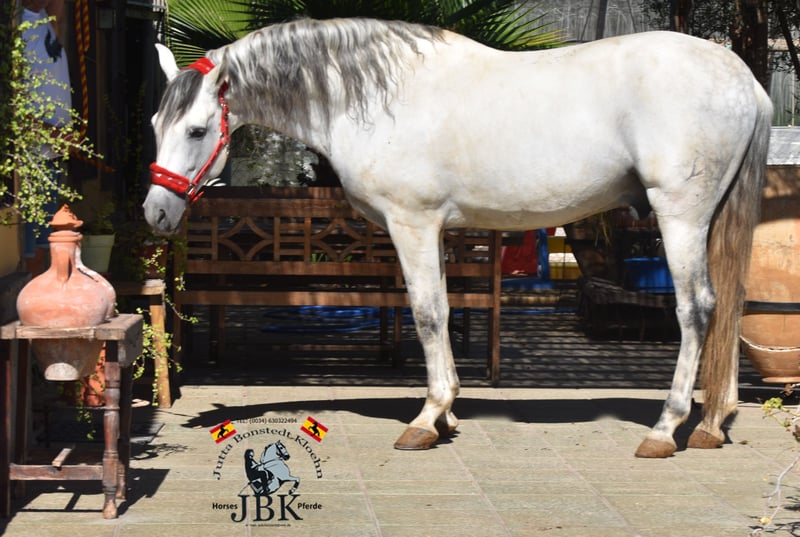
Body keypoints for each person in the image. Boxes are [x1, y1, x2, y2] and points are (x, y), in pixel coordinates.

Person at [20, 0, 73, 265]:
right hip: (30, 154)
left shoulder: (47, 24)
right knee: (30, 241)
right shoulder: (20, 28)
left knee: (44, 237)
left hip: (51, 152)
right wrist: (51, 133)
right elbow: (14, 101)